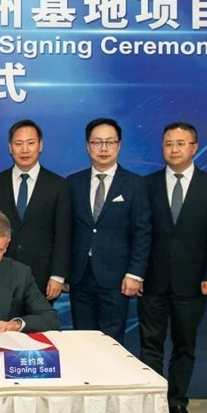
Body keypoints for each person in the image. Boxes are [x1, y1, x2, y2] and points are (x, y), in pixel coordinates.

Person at [141, 122, 207, 413]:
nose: (174, 149)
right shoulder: (147, 184)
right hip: (152, 281)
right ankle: (152, 403)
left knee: (184, 345)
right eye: (168, 143)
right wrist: (137, 274)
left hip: (193, 283)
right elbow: (140, 233)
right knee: (150, 346)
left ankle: (177, 402)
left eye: (180, 143)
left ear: (194, 147)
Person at [67, 118, 151, 345]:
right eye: (97, 142)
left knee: (112, 342)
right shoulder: (73, 183)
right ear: (88, 146)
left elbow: (142, 232)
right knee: (82, 341)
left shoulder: (134, 184)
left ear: (119, 145)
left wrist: (135, 273)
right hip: (80, 276)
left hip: (117, 278)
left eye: (110, 142)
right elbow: (66, 231)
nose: (103, 148)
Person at [0, 119, 71, 302]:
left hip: (42, 276)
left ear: (40, 146)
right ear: (10, 147)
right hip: (1, 273)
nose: (24, 149)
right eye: (18, 144)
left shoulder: (58, 185)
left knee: (38, 319)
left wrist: (58, 276)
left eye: (30, 143)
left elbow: (63, 234)